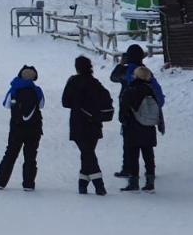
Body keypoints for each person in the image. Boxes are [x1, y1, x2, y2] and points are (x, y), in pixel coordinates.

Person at [109, 44, 165, 178]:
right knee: (147, 146)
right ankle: (150, 172)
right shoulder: (146, 72)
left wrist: (121, 64)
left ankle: (128, 170)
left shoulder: (128, 72)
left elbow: (114, 77)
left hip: (131, 114)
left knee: (129, 144)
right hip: (148, 115)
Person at [61, 56, 114, 195]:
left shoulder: (73, 82)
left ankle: (98, 186)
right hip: (95, 124)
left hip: (78, 123)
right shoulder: (95, 83)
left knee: (87, 154)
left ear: (77, 67)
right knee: (88, 153)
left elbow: (65, 102)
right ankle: (83, 184)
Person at [0, 65, 44, 191]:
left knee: (10, 153)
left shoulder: (14, 89)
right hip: (34, 127)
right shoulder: (37, 90)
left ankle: (0, 182)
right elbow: (42, 105)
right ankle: (28, 184)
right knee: (30, 156)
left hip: (17, 127)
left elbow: (6, 104)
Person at [119, 66, 163, 193]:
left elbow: (123, 112)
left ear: (135, 76)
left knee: (133, 155)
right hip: (148, 127)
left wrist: (124, 121)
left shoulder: (130, 90)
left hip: (132, 127)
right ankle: (150, 182)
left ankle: (133, 182)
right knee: (148, 155)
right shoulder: (151, 90)